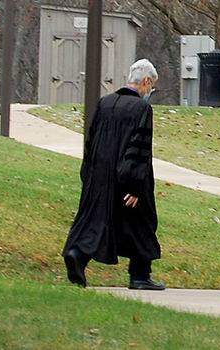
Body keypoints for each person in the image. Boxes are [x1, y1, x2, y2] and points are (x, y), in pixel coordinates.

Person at [62, 59, 165, 290]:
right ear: (146, 82)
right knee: (142, 222)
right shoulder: (141, 109)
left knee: (98, 221)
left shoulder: (105, 103)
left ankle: (77, 254)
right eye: (152, 86)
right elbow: (139, 148)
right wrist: (135, 185)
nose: (151, 91)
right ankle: (140, 275)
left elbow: (90, 141)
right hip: (128, 178)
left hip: (99, 177)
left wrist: (88, 175)